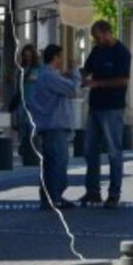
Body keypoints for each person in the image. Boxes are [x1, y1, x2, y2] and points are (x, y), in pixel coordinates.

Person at [80, 20, 131, 209]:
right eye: (95, 38)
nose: (97, 41)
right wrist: (77, 73)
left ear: (109, 32)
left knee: (113, 151)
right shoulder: (97, 50)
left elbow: (123, 80)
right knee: (90, 150)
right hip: (95, 106)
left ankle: (114, 193)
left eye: (99, 37)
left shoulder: (122, 52)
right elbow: (87, 69)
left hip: (113, 107)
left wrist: (97, 84)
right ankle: (92, 191)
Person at [28, 44, 79, 210]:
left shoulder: (42, 75)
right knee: (58, 162)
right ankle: (55, 197)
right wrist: (75, 71)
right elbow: (72, 89)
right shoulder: (49, 76)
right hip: (55, 124)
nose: (62, 60)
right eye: (60, 57)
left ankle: (48, 197)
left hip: (46, 124)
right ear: (55, 58)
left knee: (49, 163)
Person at [13, 44, 41, 160]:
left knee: (31, 125)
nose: (27, 58)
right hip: (22, 100)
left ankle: (33, 149)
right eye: (25, 56)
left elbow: (32, 78)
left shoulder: (36, 68)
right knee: (21, 124)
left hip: (33, 100)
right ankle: (24, 146)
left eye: (29, 56)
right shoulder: (22, 69)